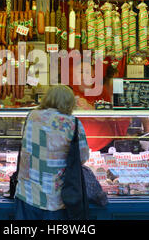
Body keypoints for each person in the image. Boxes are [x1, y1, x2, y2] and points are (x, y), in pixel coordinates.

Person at [14, 85, 89, 220]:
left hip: (27, 192)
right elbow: (83, 157)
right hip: (55, 197)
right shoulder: (72, 123)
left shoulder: (32, 116)